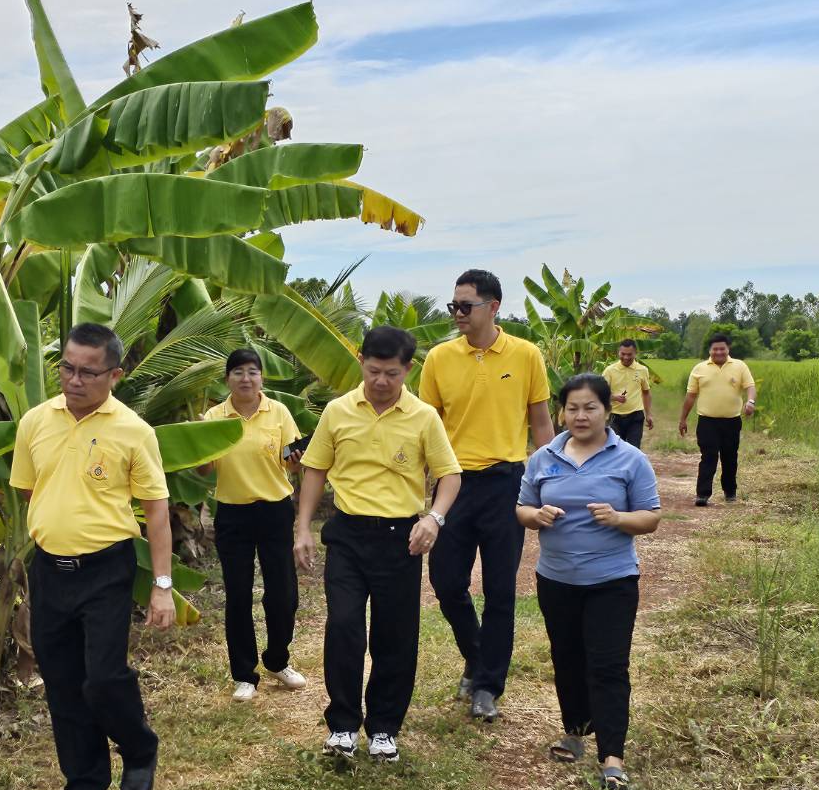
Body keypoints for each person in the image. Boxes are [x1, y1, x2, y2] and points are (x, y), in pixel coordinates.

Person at [10, 322, 175, 790]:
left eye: (87, 371)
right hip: (49, 571)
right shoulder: (36, 422)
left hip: (106, 568)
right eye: (66, 367)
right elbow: (27, 489)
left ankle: (139, 745)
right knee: (62, 685)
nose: (74, 380)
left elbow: (156, 510)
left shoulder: (132, 430)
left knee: (102, 678)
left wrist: (163, 586)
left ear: (114, 374)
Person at [295, 326, 462, 763]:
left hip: (400, 540)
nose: (381, 381)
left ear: (408, 369)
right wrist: (302, 528)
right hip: (347, 534)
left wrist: (435, 518)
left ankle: (385, 727)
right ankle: (344, 726)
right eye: (373, 371)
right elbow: (314, 469)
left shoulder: (424, 416)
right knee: (345, 626)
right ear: (361, 363)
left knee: (395, 635)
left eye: (391, 373)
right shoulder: (337, 411)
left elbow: (450, 475)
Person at [421, 269, 554, 723]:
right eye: (453, 306)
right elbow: (427, 427)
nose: (457, 314)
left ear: (493, 307)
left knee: (500, 590)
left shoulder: (525, 354)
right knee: (446, 582)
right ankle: (477, 656)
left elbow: (540, 422)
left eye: (465, 306)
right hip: (453, 485)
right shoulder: (439, 358)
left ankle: (488, 685)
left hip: (506, 484)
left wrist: (550, 475)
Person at [517, 372, 661, 790]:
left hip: (612, 580)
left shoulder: (630, 460)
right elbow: (523, 509)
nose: (580, 416)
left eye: (590, 407)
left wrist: (618, 518)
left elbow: (650, 517)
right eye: (572, 408)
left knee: (608, 664)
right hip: (556, 579)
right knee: (567, 657)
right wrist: (536, 516)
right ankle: (575, 731)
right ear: (561, 412)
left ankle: (612, 756)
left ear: (607, 411)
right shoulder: (543, 457)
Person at [200, 348, 307, 702]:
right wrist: (199, 443)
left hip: (275, 511)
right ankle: (244, 674)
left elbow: (292, 464)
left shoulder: (278, 412)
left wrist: (296, 458)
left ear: (262, 377)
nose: (246, 379)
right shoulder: (214, 417)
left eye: (252, 372)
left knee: (283, 594)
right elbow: (203, 470)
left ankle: (278, 660)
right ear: (227, 378)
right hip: (232, 514)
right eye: (238, 372)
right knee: (238, 595)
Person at [678, 332, 756, 505]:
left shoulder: (740, 366)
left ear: (728, 349)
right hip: (707, 421)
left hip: (732, 421)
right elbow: (690, 396)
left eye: (722, 349)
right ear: (710, 350)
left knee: (730, 458)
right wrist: (683, 419)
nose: (719, 352)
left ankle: (730, 493)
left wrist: (750, 402)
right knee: (708, 456)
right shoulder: (699, 369)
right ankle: (702, 495)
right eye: (715, 349)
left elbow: (750, 386)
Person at [602, 339, 653, 448]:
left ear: (635, 353)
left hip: (635, 416)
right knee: (614, 449)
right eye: (623, 354)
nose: (626, 357)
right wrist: (615, 397)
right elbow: (601, 394)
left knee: (633, 449)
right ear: (618, 353)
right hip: (614, 417)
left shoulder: (642, 370)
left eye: (629, 354)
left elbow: (646, 392)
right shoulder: (609, 371)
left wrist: (648, 414)